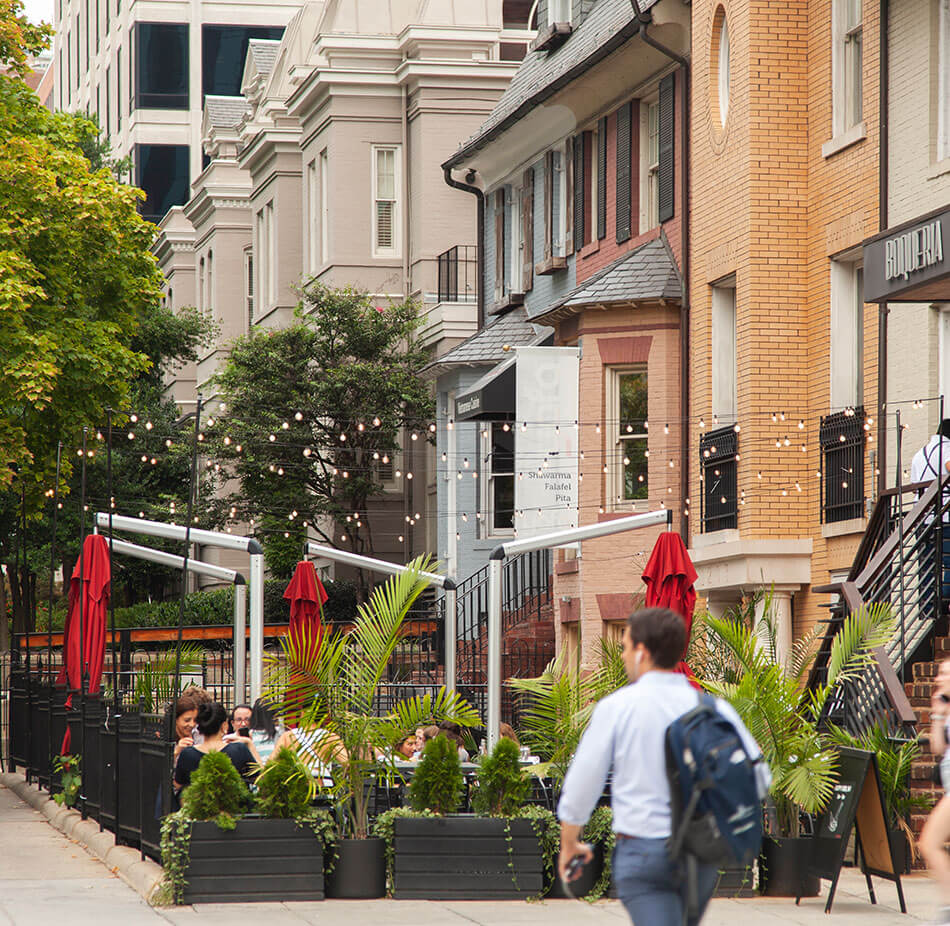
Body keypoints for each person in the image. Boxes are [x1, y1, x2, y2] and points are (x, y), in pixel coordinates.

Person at [557, 607, 769, 925]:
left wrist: (570, 842)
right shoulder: (713, 708)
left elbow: (582, 784)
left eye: (626, 647)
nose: (625, 656)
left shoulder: (617, 708)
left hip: (641, 850)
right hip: (699, 854)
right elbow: (760, 777)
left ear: (642, 652)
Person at [173, 701, 261, 793]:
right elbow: (260, 777)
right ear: (224, 725)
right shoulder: (239, 750)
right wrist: (250, 744)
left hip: (199, 805)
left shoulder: (188, 754)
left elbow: (178, 784)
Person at [919, 658, 950, 923]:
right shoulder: (946, 707)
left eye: (945, 674)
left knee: (929, 842)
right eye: (939, 673)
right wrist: (938, 713)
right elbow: (938, 748)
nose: (939, 678)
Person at [911, 421, 950, 621]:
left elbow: (915, 485)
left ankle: (927, 608)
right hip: (944, 516)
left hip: (924, 518)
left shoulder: (919, 455)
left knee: (926, 563)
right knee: (947, 560)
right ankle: (943, 602)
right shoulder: (947, 448)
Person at [170, 694, 198, 762]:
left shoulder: (197, 734)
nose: (192, 724)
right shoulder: (165, 738)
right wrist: (177, 751)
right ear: (176, 719)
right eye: (187, 720)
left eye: (195, 720)